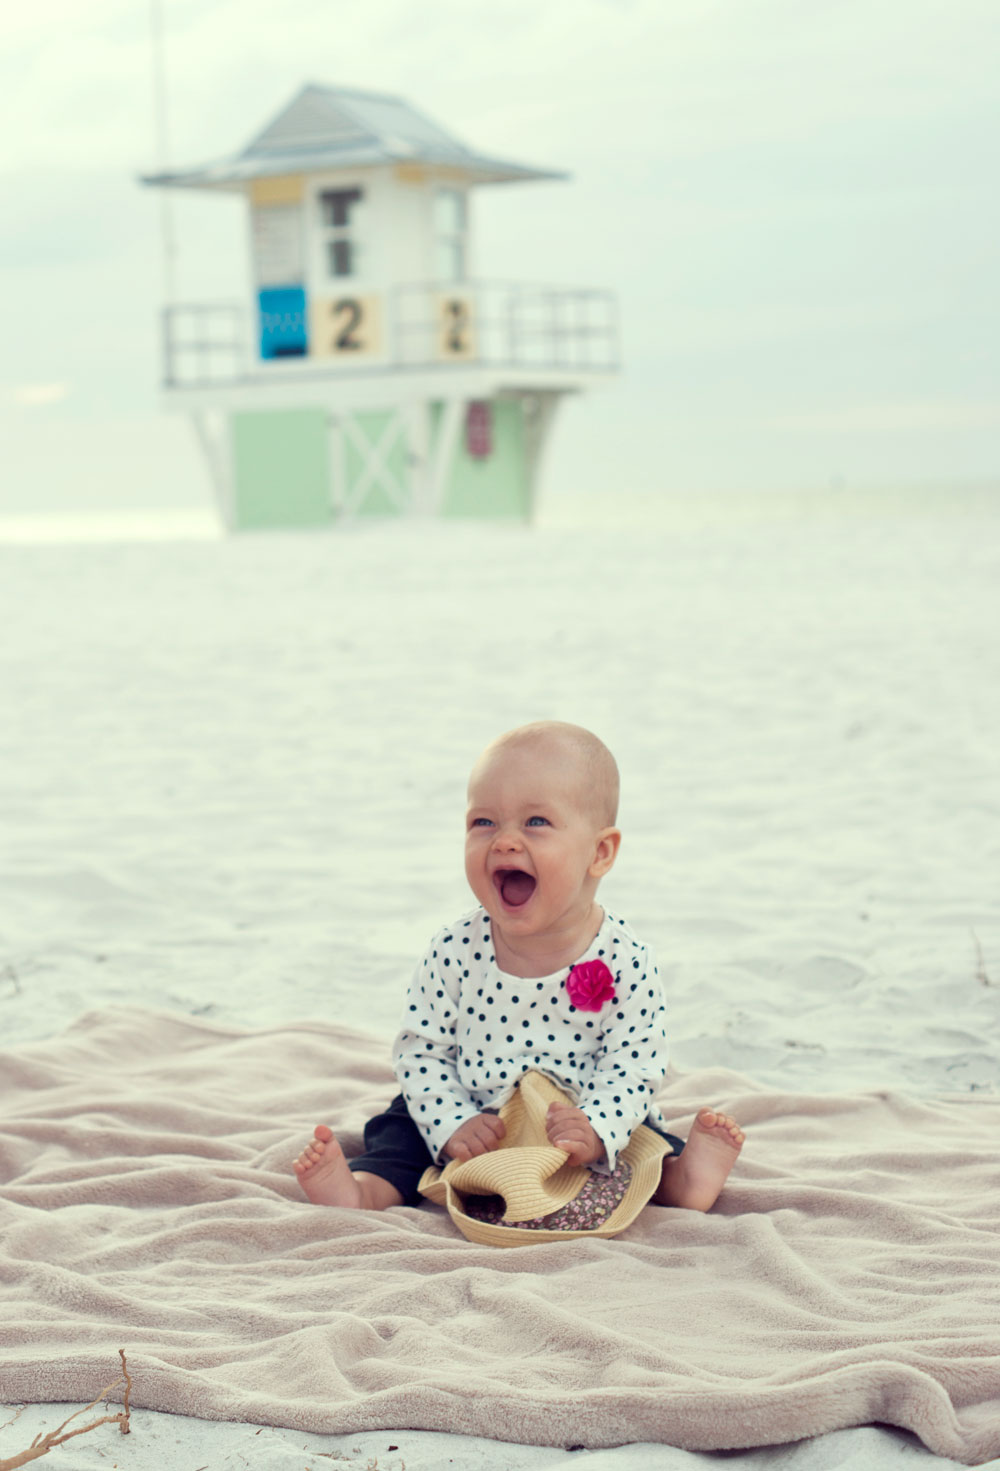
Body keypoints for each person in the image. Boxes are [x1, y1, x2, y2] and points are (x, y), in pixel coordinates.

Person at [293, 721, 743, 1217]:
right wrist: (453, 1122)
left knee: (641, 1141)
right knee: (398, 1134)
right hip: (475, 1110)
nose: (504, 841)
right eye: (483, 822)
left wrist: (597, 1127)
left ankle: (681, 1180)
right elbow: (421, 1052)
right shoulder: (453, 950)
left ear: (600, 852)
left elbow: (633, 1065)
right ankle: (363, 1190)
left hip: (575, 1116)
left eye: (536, 822)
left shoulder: (625, 960)